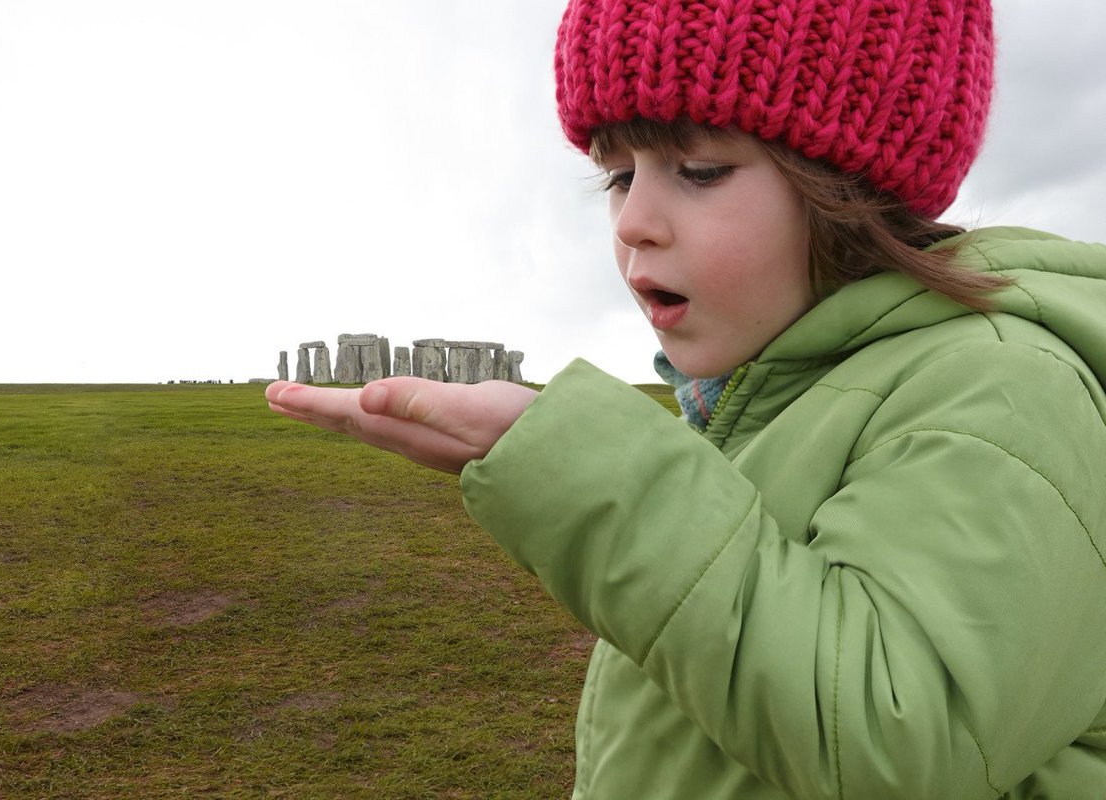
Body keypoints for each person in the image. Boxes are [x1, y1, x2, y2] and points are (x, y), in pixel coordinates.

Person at [266, 0, 1106, 796]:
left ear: (852, 186)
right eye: (619, 177)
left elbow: (898, 734)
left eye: (698, 170)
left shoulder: (1006, 391)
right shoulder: (775, 396)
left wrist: (598, 479)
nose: (634, 220)